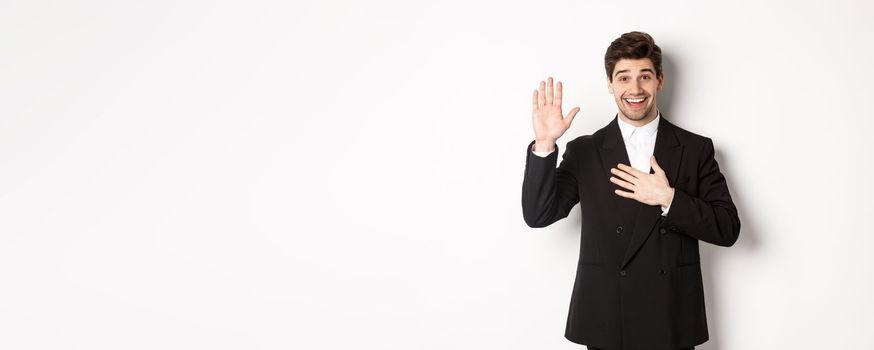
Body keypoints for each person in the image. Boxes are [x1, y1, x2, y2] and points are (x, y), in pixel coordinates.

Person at [521, 31, 740, 350]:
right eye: (623, 77)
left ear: (660, 81)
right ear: (610, 84)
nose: (635, 89)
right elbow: (538, 215)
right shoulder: (585, 150)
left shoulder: (695, 149)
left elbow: (728, 229)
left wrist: (669, 198)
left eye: (645, 76)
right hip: (607, 319)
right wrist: (544, 144)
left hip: (671, 318)